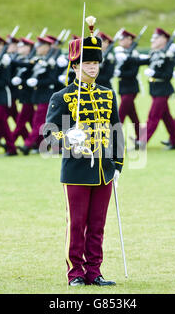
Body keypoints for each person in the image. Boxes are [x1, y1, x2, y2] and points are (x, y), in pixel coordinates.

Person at [44, 16, 124, 286]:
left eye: (95, 63)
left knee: (98, 226)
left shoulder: (108, 94)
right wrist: (68, 136)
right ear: (75, 66)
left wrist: (119, 164)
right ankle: (75, 273)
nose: (92, 68)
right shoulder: (63, 96)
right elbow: (47, 133)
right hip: (76, 169)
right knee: (77, 225)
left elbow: (116, 129)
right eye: (87, 63)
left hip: (104, 170)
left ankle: (94, 272)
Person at [137, 27, 175, 150]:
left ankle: (142, 141)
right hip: (154, 88)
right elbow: (144, 61)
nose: (153, 41)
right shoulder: (155, 53)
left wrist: (154, 74)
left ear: (164, 39)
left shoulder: (168, 54)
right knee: (167, 118)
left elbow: (168, 75)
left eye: (156, 38)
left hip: (163, 89)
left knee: (153, 116)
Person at [18, 36, 57, 155]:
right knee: (42, 121)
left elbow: (53, 79)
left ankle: (28, 144)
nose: (37, 48)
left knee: (38, 121)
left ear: (47, 47)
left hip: (47, 95)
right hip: (38, 94)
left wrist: (38, 82)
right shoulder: (40, 59)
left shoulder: (52, 61)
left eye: (40, 46)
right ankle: (41, 144)